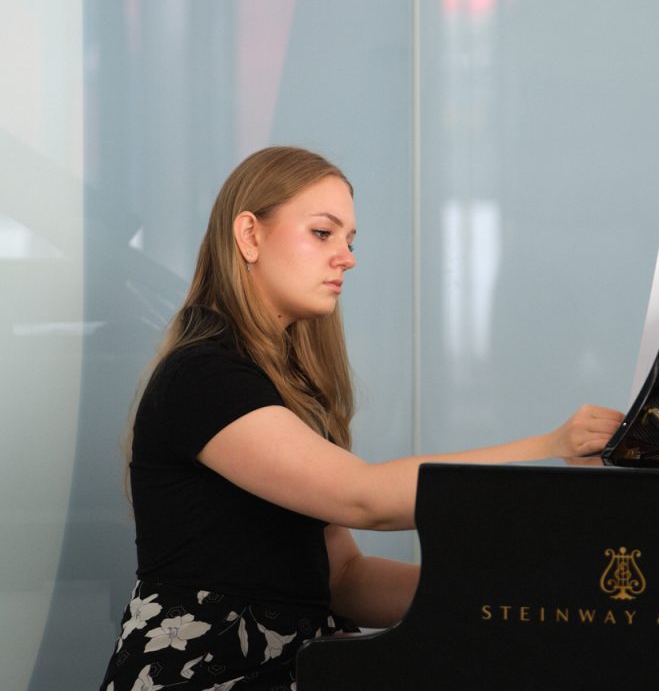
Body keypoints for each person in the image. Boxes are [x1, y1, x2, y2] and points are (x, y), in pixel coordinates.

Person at [99, 146, 623, 690]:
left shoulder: (281, 386)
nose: (346, 256)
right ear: (250, 236)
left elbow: (344, 578)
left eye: (350, 240)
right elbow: (364, 498)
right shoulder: (204, 377)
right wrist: (550, 446)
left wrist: (499, 598)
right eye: (323, 233)